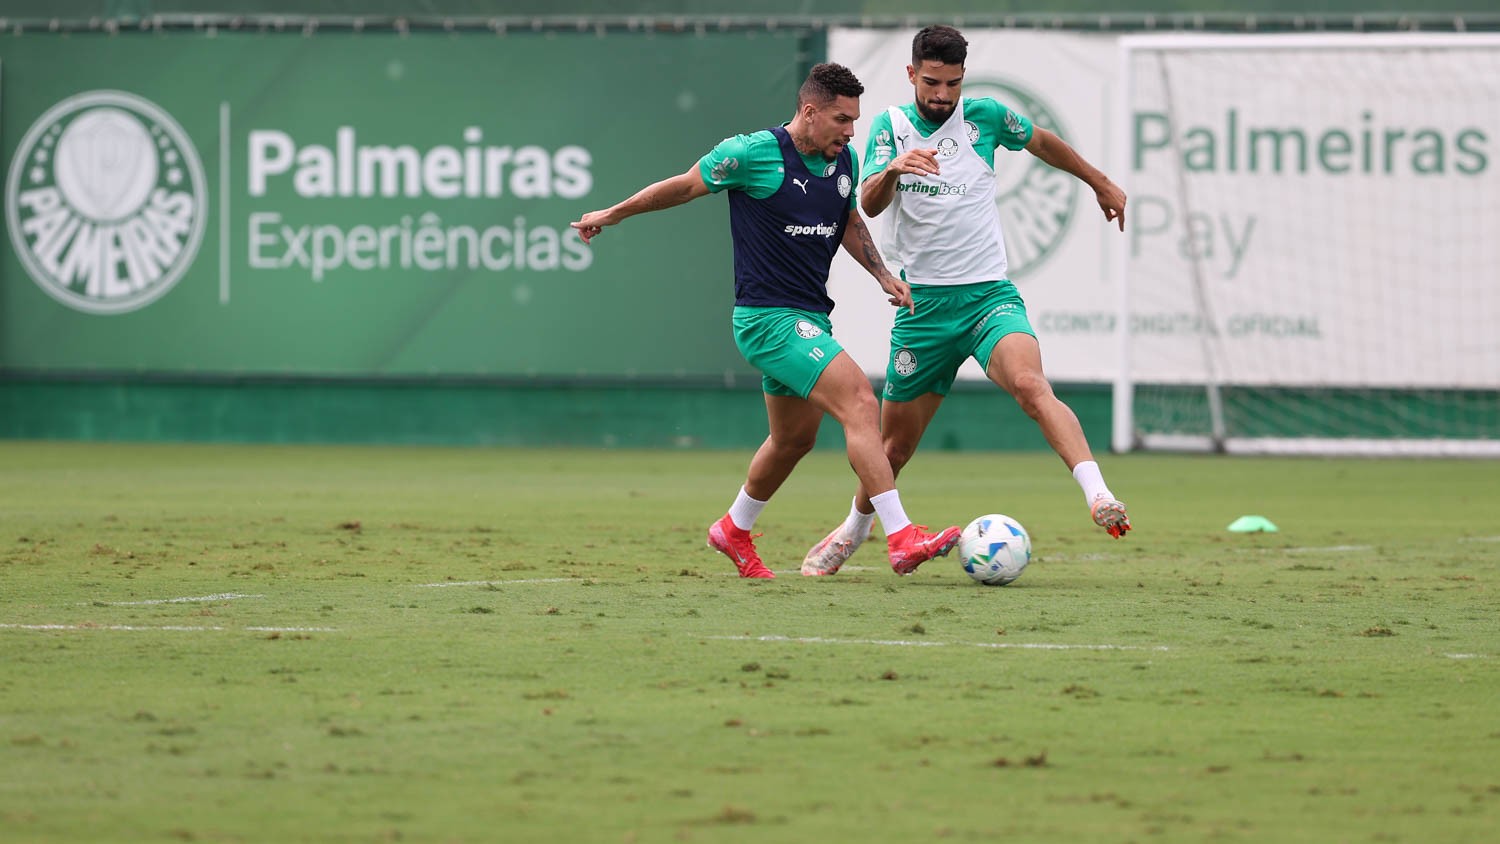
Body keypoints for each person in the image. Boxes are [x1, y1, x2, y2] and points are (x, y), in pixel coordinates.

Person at [571, 63, 962, 580]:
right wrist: (613, 214)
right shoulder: (752, 153)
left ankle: (733, 528)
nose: (850, 131)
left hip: (808, 320)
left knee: (793, 440)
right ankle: (901, 536)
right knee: (861, 403)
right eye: (842, 119)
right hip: (766, 320)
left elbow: (849, 221)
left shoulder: (842, 159)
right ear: (809, 111)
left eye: (854, 121)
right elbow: (684, 187)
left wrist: (883, 276)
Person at [801, 26, 1131, 577]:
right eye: (932, 82)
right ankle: (853, 530)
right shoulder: (889, 127)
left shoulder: (987, 117)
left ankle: (1099, 494)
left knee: (1031, 386)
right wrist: (894, 170)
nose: (943, 95)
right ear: (912, 75)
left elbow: (1043, 141)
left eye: (953, 83)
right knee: (893, 449)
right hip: (924, 310)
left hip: (988, 299)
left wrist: (1098, 181)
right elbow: (871, 204)